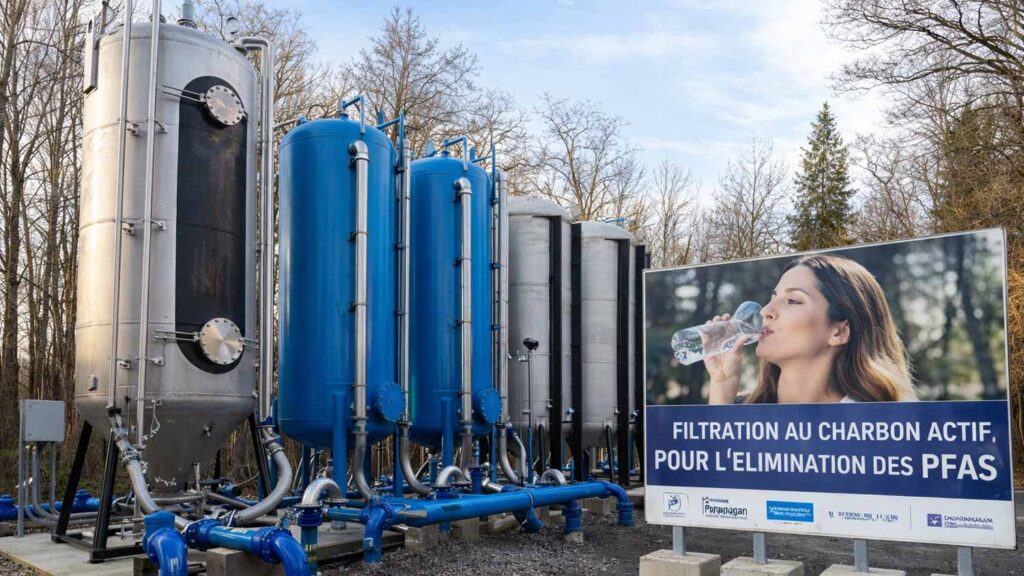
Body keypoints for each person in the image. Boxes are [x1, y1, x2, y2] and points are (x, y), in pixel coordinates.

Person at [706, 254, 916, 404]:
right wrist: (722, 386)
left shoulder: (884, 429)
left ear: (839, 332)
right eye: (773, 298)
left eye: (793, 300)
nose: (766, 311)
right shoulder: (742, 412)